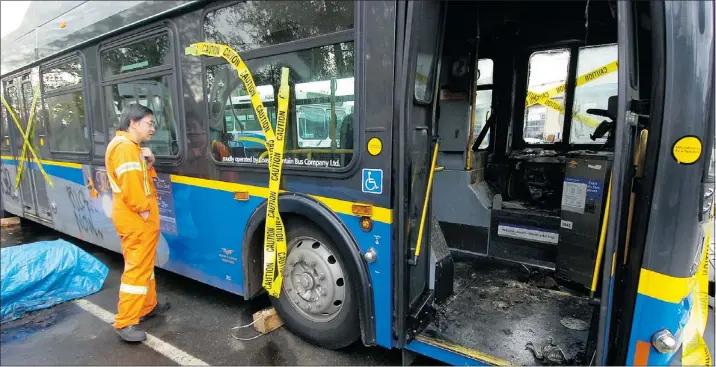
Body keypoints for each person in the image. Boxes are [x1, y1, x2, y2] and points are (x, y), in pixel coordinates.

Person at [105, 104, 170, 342]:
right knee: (136, 270)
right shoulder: (124, 148)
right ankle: (125, 322)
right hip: (136, 220)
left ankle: (147, 306)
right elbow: (132, 188)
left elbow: (140, 179)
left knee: (144, 266)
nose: (153, 128)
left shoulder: (131, 147)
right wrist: (144, 212)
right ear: (133, 122)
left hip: (139, 219)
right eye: (149, 123)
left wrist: (149, 162)